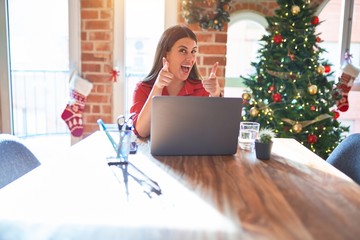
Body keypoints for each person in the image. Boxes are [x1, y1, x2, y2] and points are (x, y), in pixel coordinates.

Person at [130, 25, 222, 138]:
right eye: (183, 51)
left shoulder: (202, 89)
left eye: (193, 51)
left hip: (193, 154)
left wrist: (216, 95)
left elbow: (216, 132)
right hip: (154, 155)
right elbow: (142, 131)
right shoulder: (143, 88)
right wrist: (158, 87)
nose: (190, 58)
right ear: (166, 55)